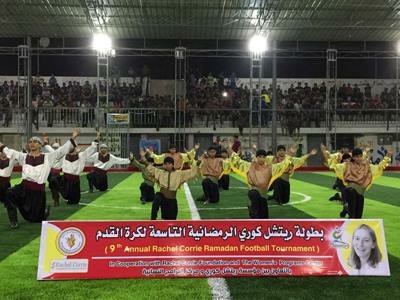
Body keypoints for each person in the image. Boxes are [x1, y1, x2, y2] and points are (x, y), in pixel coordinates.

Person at [2, 129, 79, 229]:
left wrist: (73, 137)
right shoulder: (23, 157)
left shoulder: (48, 157)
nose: (32, 143)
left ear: (40, 145)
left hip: (37, 192)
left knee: (36, 219)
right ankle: (13, 221)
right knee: (9, 194)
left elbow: (61, 150)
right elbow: (8, 151)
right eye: (30, 142)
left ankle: (44, 213)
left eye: (35, 142)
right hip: (23, 188)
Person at [321, 145, 392, 218]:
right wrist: (324, 153)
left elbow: (379, 167)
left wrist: (388, 156)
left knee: (358, 217)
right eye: (357, 156)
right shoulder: (346, 165)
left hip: (360, 193)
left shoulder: (366, 166)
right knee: (353, 216)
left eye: (360, 156)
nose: (359, 158)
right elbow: (333, 167)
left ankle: (346, 209)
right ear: (353, 157)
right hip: (351, 191)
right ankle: (346, 209)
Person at [230, 148, 291, 219]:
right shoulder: (249, 166)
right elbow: (238, 161)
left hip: (263, 197)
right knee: (254, 198)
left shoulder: (270, 168)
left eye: (263, 157)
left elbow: (282, 165)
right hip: (254, 193)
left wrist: (290, 154)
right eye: (260, 157)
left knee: (264, 219)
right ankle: (251, 207)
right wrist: (230, 150)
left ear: (265, 158)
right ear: (256, 157)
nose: (261, 159)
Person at [58, 132, 100, 204]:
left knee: (74, 201)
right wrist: (73, 137)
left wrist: (97, 138)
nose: (70, 147)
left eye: (72, 146)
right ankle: (57, 198)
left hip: (75, 180)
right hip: (65, 179)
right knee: (54, 181)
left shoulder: (81, 155)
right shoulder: (64, 155)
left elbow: (91, 149)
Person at [0, 144, 20, 208]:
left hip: (6, 184)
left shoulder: (11, 160)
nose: (3, 153)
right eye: (1, 152)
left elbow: (17, 166)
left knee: (10, 203)